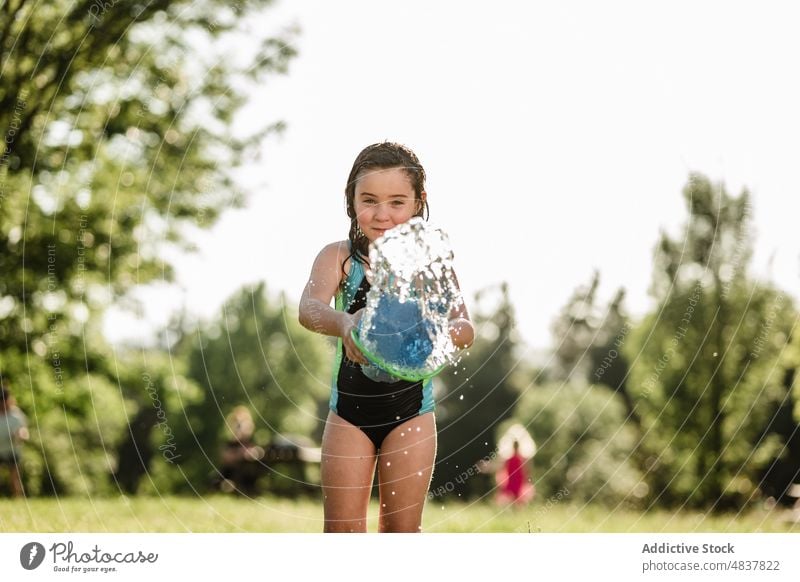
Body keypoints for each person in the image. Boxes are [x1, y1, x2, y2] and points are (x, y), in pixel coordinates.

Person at [299, 142, 474, 532]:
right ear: (351, 200)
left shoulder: (430, 265)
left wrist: (435, 337)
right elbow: (309, 309)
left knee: (401, 534)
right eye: (369, 200)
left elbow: (464, 327)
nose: (382, 215)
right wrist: (344, 323)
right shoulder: (339, 258)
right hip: (349, 416)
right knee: (342, 533)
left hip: (413, 416)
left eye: (397, 202)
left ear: (418, 203)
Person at [0, 381, 29, 497]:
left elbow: (23, 430)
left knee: (14, 478)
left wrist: (21, 435)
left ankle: (18, 499)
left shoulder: (16, 415)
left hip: (12, 450)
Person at [496, 440, 535, 507]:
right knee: (514, 498)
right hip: (513, 481)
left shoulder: (519, 459)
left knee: (517, 499)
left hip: (518, 481)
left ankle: (515, 511)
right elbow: (527, 471)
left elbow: (526, 471)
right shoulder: (519, 459)